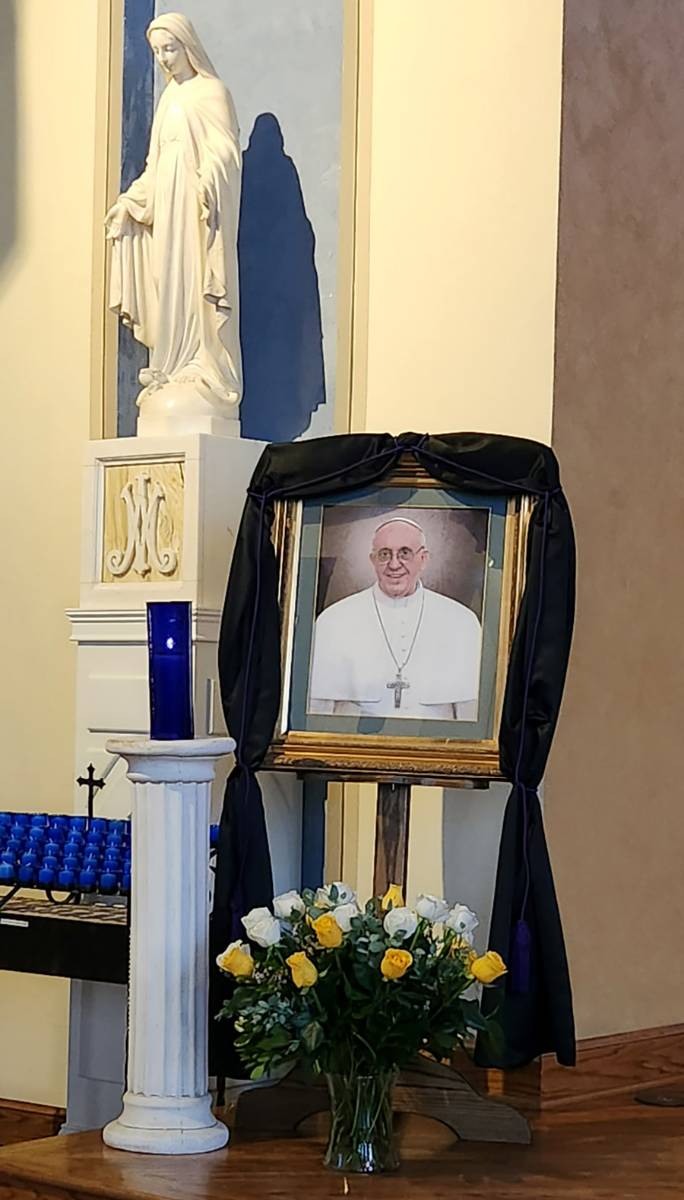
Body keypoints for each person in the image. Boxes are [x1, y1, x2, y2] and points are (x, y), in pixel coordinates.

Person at [105, 13, 242, 422]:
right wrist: (131, 202)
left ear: (188, 46)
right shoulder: (167, 99)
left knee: (196, 284)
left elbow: (226, 153)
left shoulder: (211, 92)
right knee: (168, 285)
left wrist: (209, 181)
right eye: (157, 52)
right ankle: (172, 365)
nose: (164, 59)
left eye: (170, 48)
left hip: (198, 213)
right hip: (167, 209)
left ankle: (204, 367)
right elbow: (155, 164)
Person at [309, 515, 482, 719]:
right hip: (357, 748)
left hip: (436, 749)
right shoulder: (333, 621)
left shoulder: (462, 622)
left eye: (405, 553)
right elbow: (316, 714)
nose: (394, 564)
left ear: (423, 559)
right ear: (372, 560)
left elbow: (472, 718)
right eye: (384, 554)